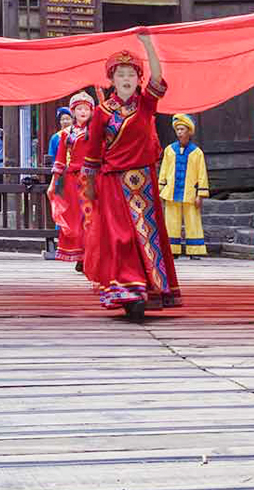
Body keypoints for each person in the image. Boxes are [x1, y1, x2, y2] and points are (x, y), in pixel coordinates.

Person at [82, 37, 181, 321]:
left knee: (146, 236)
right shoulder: (102, 113)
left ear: (138, 79)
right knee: (121, 237)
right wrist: (89, 188)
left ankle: (146, 290)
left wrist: (148, 45)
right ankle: (127, 289)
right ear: (111, 79)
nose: (125, 78)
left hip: (144, 182)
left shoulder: (145, 104)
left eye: (131, 74)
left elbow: (159, 77)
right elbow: (91, 153)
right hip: (113, 182)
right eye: (120, 74)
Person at [48, 92, 95, 269]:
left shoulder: (96, 131)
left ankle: (91, 255)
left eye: (86, 108)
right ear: (73, 112)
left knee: (92, 217)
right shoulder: (66, 134)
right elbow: (60, 160)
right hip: (72, 180)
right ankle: (80, 256)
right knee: (75, 218)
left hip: (92, 179)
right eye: (79, 109)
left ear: (91, 111)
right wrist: (53, 182)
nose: (83, 112)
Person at [158, 113, 209, 259]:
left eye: (182, 129)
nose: (180, 132)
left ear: (189, 131)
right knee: (171, 221)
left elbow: (202, 174)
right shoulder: (169, 150)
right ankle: (172, 249)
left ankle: (195, 250)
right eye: (178, 129)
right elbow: (164, 171)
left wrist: (200, 194)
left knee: (193, 220)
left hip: (190, 192)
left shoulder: (197, 153)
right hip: (171, 191)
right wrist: (160, 189)